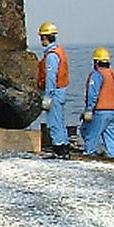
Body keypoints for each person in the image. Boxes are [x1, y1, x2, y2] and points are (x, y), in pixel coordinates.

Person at [79, 47, 114, 158]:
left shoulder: (97, 74)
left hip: (100, 111)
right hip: (113, 112)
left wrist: (88, 110)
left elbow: (92, 94)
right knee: (110, 135)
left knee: (89, 133)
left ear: (96, 62)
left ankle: (89, 155)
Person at [37, 21, 70, 158]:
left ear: (45, 37)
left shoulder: (51, 56)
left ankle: (59, 149)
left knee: (53, 122)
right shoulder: (59, 51)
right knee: (59, 120)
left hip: (54, 92)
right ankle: (64, 146)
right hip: (60, 91)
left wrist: (48, 96)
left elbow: (51, 77)